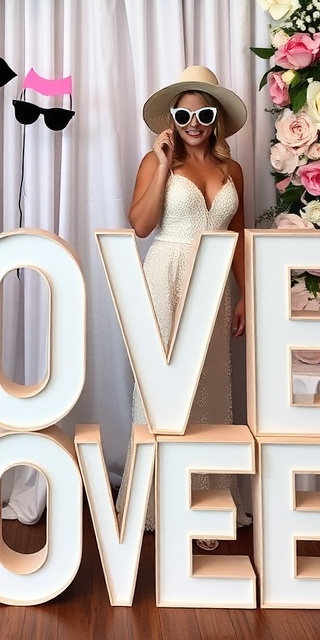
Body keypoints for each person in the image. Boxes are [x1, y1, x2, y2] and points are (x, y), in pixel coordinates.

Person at [117, 65, 250, 544]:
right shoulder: (156, 163)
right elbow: (140, 225)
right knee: (163, 386)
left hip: (215, 286)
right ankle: (157, 501)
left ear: (216, 120)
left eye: (204, 114)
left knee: (209, 383)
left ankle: (207, 500)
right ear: (172, 118)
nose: (194, 122)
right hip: (167, 276)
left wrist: (245, 295)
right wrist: (161, 162)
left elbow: (237, 236)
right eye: (184, 113)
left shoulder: (231, 170)